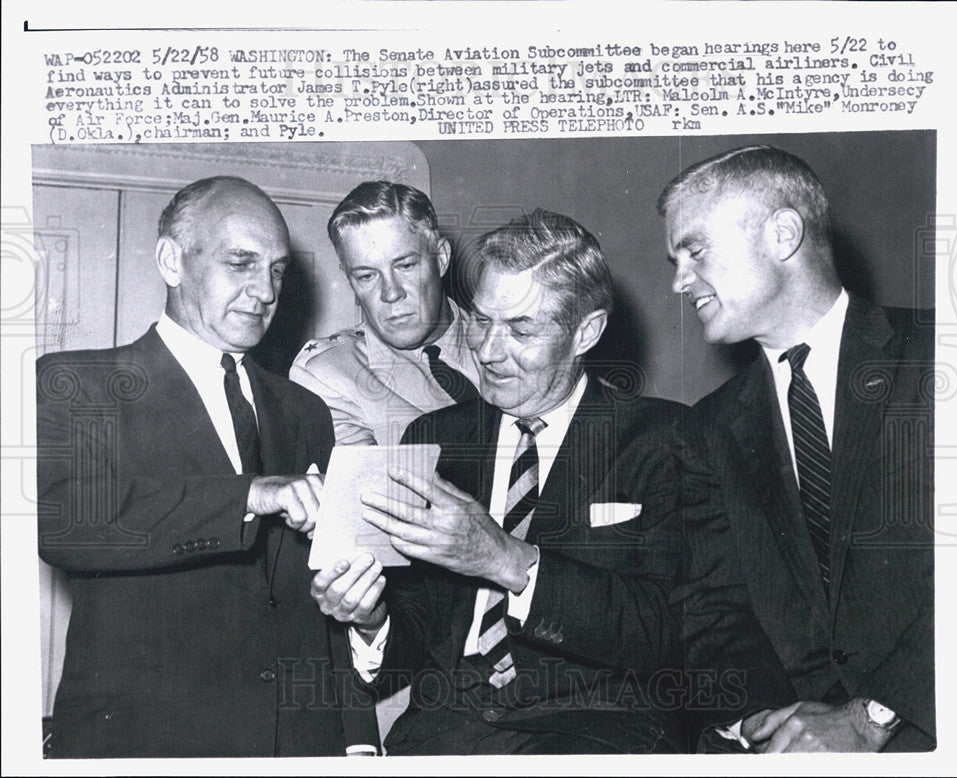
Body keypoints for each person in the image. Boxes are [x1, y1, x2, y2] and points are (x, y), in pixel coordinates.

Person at [311, 209, 685, 755]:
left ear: (587, 331)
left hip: (595, 733)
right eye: (482, 321)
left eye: (521, 329)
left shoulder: (665, 438)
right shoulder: (436, 435)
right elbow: (422, 625)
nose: (487, 351)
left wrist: (506, 559)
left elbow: (672, 632)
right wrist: (372, 617)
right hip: (443, 735)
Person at [36, 176, 378, 758]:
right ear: (172, 260)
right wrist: (250, 494)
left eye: (275, 270)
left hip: (299, 746)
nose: (264, 291)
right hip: (148, 745)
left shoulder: (305, 411)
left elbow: (318, 594)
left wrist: (355, 739)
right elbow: (66, 523)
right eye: (240, 262)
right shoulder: (79, 384)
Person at [660, 146, 935, 752]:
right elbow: (714, 609)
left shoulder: (947, 354)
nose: (680, 281)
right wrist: (767, 723)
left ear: (783, 233)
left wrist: (870, 718)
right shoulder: (707, 431)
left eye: (695, 251)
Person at [290, 180, 480, 446]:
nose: (391, 293)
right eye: (367, 276)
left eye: (405, 265)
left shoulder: (513, 346)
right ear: (349, 280)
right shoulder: (329, 372)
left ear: (442, 258)